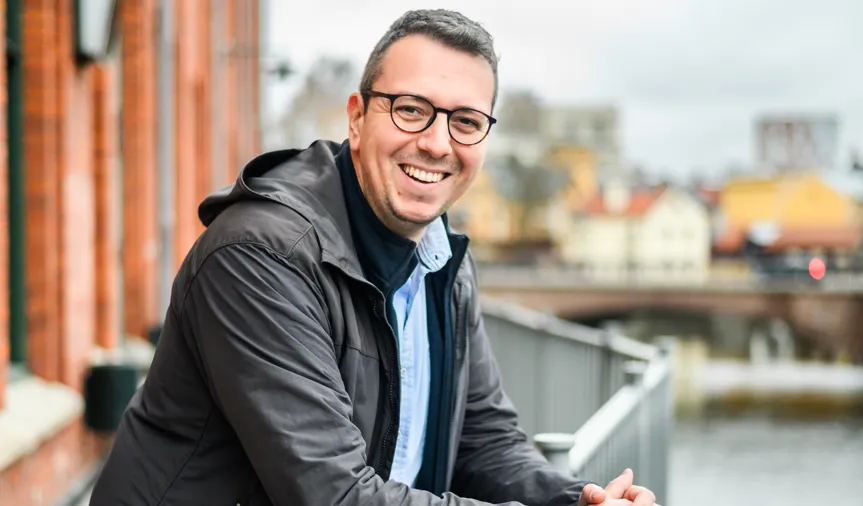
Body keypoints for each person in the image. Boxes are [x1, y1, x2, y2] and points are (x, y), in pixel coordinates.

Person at [90, 9, 657, 506]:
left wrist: (578, 500)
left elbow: (483, 442)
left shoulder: (444, 260)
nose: (437, 143)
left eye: (465, 121)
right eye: (411, 109)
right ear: (357, 119)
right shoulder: (260, 256)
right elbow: (332, 493)